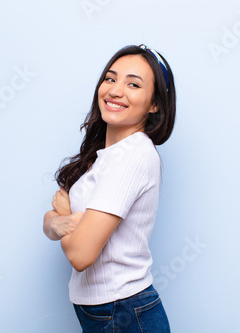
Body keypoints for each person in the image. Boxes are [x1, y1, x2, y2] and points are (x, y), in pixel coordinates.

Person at [43, 44, 176, 332]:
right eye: (110, 78)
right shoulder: (105, 156)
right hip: (109, 311)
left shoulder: (131, 156)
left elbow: (81, 255)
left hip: (123, 311)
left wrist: (62, 218)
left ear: (155, 104)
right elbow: (50, 220)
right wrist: (60, 221)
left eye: (133, 84)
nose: (115, 90)